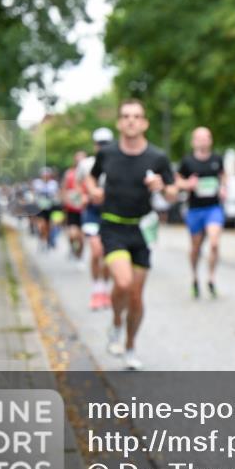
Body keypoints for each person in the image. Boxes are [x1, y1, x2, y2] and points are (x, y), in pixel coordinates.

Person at [83, 100, 176, 370]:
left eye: (137, 116)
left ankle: (130, 345)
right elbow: (91, 178)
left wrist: (161, 187)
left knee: (136, 296)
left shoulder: (157, 158)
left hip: (142, 229)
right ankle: (115, 324)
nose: (131, 121)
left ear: (145, 123)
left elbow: (172, 193)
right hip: (112, 226)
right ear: (119, 123)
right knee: (122, 283)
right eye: (126, 116)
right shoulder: (108, 154)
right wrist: (93, 191)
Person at [175, 127, 226, 299]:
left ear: (210, 140)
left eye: (206, 138)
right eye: (199, 138)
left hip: (213, 208)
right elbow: (177, 181)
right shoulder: (187, 162)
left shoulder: (217, 159)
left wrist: (224, 188)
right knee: (196, 247)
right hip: (195, 209)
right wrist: (187, 184)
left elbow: (223, 176)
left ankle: (211, 278)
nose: (203, 141)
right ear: (193, 141)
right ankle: (195, 277)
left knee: (214, 242)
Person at [78, 128, 115, 311]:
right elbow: (78, 184)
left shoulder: (117, 163)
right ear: (95, 145)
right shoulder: (86, 164)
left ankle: (104, 289)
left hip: (110, 213)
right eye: (100, 144)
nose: (103, 147)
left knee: (108, 255)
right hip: (92, 212)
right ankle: (96, 289)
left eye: (106, 144)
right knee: (96, 251)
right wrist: (85, 195)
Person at [62, 150, 88, 260]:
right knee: (72, 234)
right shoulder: (69, 173)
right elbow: (64, 189)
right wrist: (65, 200)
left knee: (82, 237)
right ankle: (72, 248)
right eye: (78, 159)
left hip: (86, 209)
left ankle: (79, 255)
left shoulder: (90, 173)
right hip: (72, 209)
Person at [31, 168, 60, 250]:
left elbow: (57, 194)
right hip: (40, 208)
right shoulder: (37, 183)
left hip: (50, 208)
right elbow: (33, 194)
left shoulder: (53, 184)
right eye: (44, 175)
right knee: (41, 225)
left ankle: (47, 239)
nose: (45, 177)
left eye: (47, 175)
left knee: (49, 225)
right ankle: (42, 238)